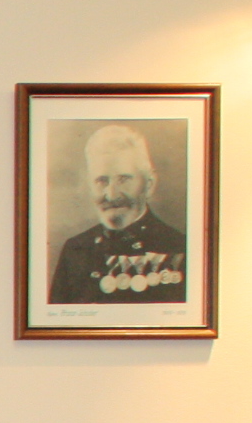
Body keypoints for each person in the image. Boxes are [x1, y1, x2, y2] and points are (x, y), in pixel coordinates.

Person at [46, 123, 189, 304]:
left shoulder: (179, 247)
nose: (112, 195)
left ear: (149, 184)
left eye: (123, 179)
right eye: (102, 181)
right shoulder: (75, 250)